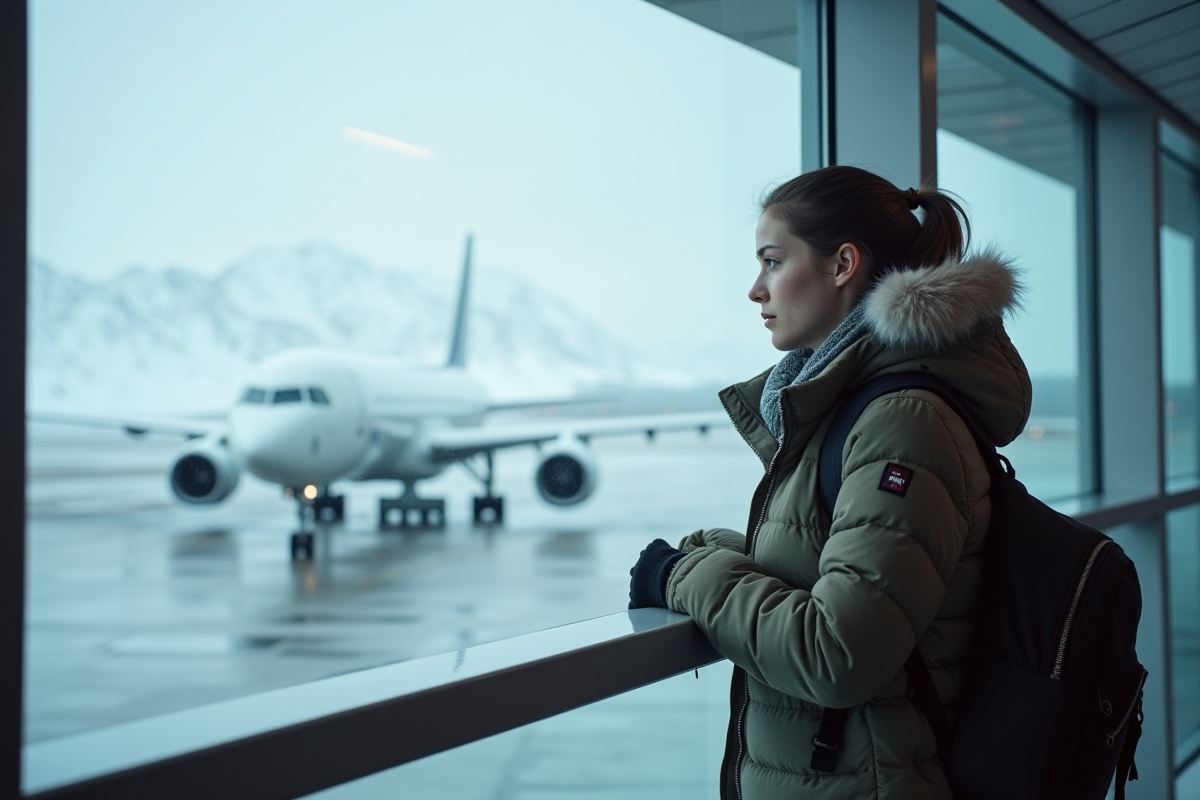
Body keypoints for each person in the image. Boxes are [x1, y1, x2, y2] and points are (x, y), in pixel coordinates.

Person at [628, 165, 1031, 800]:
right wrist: (713, 552)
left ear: (843, 264)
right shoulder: (854, 406)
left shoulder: (902, 422)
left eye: (772, 261)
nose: (756, 290)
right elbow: (835, 570)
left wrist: (682, 578)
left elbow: (838, 653)